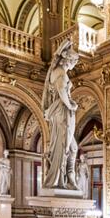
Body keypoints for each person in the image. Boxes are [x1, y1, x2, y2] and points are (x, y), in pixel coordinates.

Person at [41, 39, 80, 190]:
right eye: (73, 63)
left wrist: (70, 104)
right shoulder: (60, 73)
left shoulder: (57, 71)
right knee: (63, 145)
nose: (73, 66)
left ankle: (69, 177)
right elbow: (62, 91)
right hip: (62, 112)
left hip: (61, 111)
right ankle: (59, 179)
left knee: (72, 147)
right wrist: (71, 104)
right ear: (67, 60)